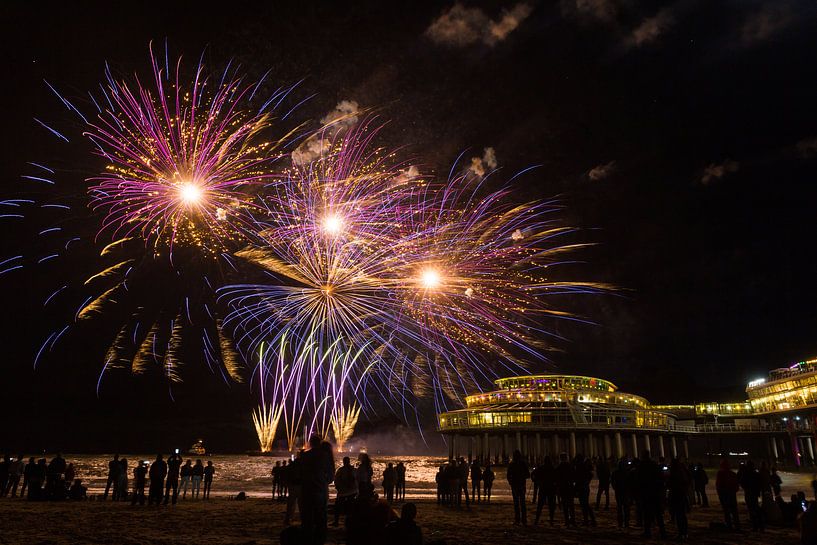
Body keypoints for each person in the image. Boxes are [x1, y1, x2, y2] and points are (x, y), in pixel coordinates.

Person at [300, 436, 335, 545]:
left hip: (306, 490)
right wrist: (324, 481)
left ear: (310, 443)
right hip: (320, 489)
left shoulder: (304, 455)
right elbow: (330, 475)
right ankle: (320, 538)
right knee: (321, 515)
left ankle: (308, 537)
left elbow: (300, 473)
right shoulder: (324, 456)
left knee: (307, 516)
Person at [635, 451, 666, 539]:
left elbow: (638, 479)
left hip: (646, 493)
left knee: (647, 514)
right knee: (658, 514)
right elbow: (661, 477)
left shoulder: (641, 466)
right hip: (655, 493)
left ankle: (647, 532)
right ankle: (663, 532)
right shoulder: (654, 465)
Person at [668, 458, 690, 540]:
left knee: (679, 515)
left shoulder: (674, 474)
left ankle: (681, 533)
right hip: (682, 495)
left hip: (676, 495)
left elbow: (670, 484)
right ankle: (685, 532)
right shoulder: (683, 472)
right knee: (682, 515)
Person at [716, 458, 741, 530]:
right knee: (734, 511)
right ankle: (737, 525)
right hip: (731, 494)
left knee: (727, 511)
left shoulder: (720, 474)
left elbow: (718, 485)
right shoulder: (732, 474)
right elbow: (736, 485)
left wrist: (720, 494)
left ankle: (729, 525)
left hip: (725, 495)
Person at [507, 449, 530, 525]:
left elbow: (508, 475)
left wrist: (510, 482)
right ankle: (524, 520)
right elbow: (528, 475)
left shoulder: (511, 464)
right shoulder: (523, 464)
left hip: (515, 486)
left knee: (516, 503)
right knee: (522, 503)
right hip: (522, 485)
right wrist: (522, 477)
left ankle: (517, 520)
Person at [334, 456, 358, 526]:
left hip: (343, 492)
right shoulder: (353, 470)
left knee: (338, 507)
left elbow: (336, 480)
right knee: (351, 508)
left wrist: (338, 488)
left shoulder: (341, 470)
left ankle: (336, 522)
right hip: (352, 491)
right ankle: (351, 522)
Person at [741, 460, 764, 531]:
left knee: (751, 510)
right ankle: (760, 525)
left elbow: (742, 483)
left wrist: (746, 488)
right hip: (754, 493)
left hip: (749, 493)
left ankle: (755, 526)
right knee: (756, 509)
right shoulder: (756, 474)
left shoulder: (746, 474)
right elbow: (760, 483)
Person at [533, 456, 556, 525]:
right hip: (551, 489)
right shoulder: (552, 468)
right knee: (551, 506)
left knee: (540, 505)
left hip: (543, 488)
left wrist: (536, 481)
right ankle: (551, 520)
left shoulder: (541, 468)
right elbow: (556, 478)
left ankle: (536, 520)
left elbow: (533, 474)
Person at [555, 452, 576, 527]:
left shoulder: (559, 467)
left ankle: (567, 521)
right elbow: (574, 477)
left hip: (563, 488)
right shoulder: (570, 466)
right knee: (571, 505)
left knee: (565, 506)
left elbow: (556, 479)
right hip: (570, 487)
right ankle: (573, 520)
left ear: (560, 459)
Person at [575, 454, 596, 526]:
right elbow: (590, 474)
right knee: (585, 504)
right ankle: (589, 519)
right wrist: (587, 481)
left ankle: (588, 520)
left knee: (584, 504)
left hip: (581, 487)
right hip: (585, 487)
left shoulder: (579, 467)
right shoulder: (584, 466)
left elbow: (577, 478)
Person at [611, 459, 632, 528]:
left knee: (620, 508)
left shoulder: (616, 472)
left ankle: (621, 522)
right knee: (625, 508)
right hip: (624, 492)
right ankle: (626, 522)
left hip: (620, 492)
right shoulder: (627, 472)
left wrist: (615, 487)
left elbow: (612, 481)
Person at [284, 453, 303, 526]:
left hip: (292, 485)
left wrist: (287, 483)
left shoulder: (292, 465)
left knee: (291, 503)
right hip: (300, 486)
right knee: (301, 504)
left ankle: (288, 519)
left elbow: (287, 474)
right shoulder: (303, 465)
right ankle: (302, 519)